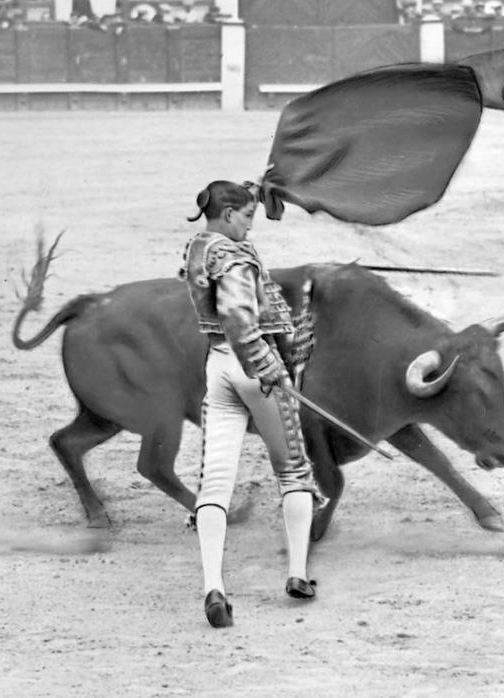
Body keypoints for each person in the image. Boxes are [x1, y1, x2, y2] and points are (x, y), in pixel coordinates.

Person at [179, 180, 320, 629]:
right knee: (293, 471)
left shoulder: (201, 246)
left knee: (215, 483)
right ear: (226, 215)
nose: (249, 226)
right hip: (250, 368)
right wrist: (267, 365)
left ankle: (214, 587)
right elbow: (240, 316)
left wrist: (254, 189)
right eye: (246, 217)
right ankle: (298, 573)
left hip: (217, 367)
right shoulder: (236, 258)